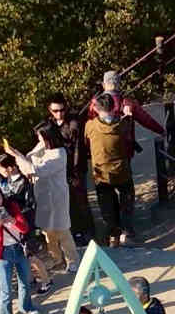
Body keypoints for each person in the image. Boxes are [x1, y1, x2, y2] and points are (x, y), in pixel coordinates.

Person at [5, 126, 77, 279]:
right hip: (42, 196)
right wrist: (17, 153)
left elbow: (36, 169)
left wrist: (16, 155)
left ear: (48, 137)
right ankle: (56, 258)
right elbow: (29, 159)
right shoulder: (42, 147)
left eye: (40, 136)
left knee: (62, 230)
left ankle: (72, 260)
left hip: (57, 197)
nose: (38, 140)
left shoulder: (59, 153)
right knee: (48, 231)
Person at [0, 152, 50, 292]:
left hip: (24, 222)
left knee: (30, 254)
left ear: (10, 168)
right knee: (23, 255)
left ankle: (46, 280)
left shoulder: (22, 182)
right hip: (15, 223)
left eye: (0, 169)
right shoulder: (7, 181)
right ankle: (31, 279)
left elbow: (27, 203)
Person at [43, 93, 97, 251]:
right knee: (67, 204)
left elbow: (76, 141)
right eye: (55, 111)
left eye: (61, 110)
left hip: (75, 168)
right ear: (50, 110)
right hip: (59, 171)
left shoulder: (73, 122)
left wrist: (75, 171)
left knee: (81, 201)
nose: (59, 113)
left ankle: (89, 233)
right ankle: (76, 233)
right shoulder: (49, 125)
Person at [86, 92, 138, 246]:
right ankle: (127, 232)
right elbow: (128, 130)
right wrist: (127, 114)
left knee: (107, 207)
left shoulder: (90, 126)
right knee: (127, 202)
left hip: (101, 174)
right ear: (114, 108)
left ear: (97, 109)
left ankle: (113, 235)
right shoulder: (122, 124)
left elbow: (85, 142)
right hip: (122, 171)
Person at [82, 70, 166, 157]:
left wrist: (89, 148)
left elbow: (89, 129)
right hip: (123, 150)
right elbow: (145, 119)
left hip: (100, 150)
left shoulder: (95, 105)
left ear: (104, 84)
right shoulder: (127, 103)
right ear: (119, 84)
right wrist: (161, 130)